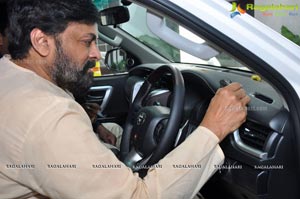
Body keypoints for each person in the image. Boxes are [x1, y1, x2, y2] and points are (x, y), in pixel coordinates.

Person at [0, 0, 250, 198]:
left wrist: (94, 125)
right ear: (42, 42)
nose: (96, 54)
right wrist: (213, 128)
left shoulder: (12, 74)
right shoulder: (47, 116)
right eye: (87, 42)